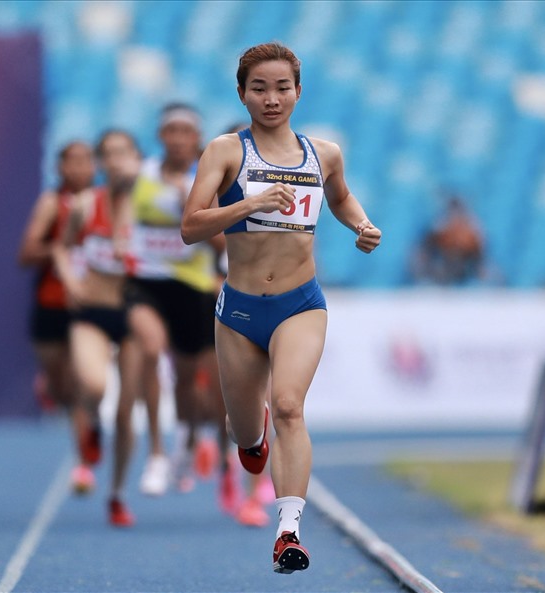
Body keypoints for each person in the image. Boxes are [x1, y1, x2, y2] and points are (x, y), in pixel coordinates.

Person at [180, 42, 382, 573]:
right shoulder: (225, 152)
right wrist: (249, 203)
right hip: (240, 312)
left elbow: (340, 198)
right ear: (242, 94)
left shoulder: (325, 154)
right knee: (248, 435)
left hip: (300, 303)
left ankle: (288, 532)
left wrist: (361, 225)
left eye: (282, 88)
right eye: (259, 88)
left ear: (298, 92)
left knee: (290, 405)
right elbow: (190, 227)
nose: (272, 98)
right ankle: (251, 435)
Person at [121, 103, 225, 497]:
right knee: (150, 348)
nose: (179, 139)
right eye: (172, 131)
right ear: (160, 136)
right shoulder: (140, 175)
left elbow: (221, 245)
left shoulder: (207, 181)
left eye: (186, 132)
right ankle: (157, 453)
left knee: (187, 379)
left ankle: (185, 439)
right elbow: (120, 216)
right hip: (146, 282)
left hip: (192, 285)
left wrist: (193, 211)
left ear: (197, 139)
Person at [53, 129, 143, 527]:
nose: (117, 161)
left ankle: (118, 493)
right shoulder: (85, 205)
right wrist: (70, 282)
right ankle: (90, 424)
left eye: (125, 153)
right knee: (93, 385)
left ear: (138, 159)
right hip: (92, 310)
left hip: (136, 316)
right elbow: (61, 247)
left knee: (126, 412)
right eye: (109, 154)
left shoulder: (152, 207)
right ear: (101, 163)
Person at [17, 141, 98, 494]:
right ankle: (50, 386)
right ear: (59, 168)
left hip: (89, 306)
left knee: (82, 384)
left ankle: (83, 464)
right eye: (72, 162)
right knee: (61, 386)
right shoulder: (52, 203)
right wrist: (61, 248)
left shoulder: (104, 201)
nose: (79, 168)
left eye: (86, 161)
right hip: (51, 303)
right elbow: (26, 254)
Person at [412, 193, 486, 286]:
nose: (455, 216)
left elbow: (479, 251)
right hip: (444, 262)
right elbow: (428, 245)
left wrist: (479, 268)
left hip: (466, 266)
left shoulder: (472, 227)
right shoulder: (441, 224)